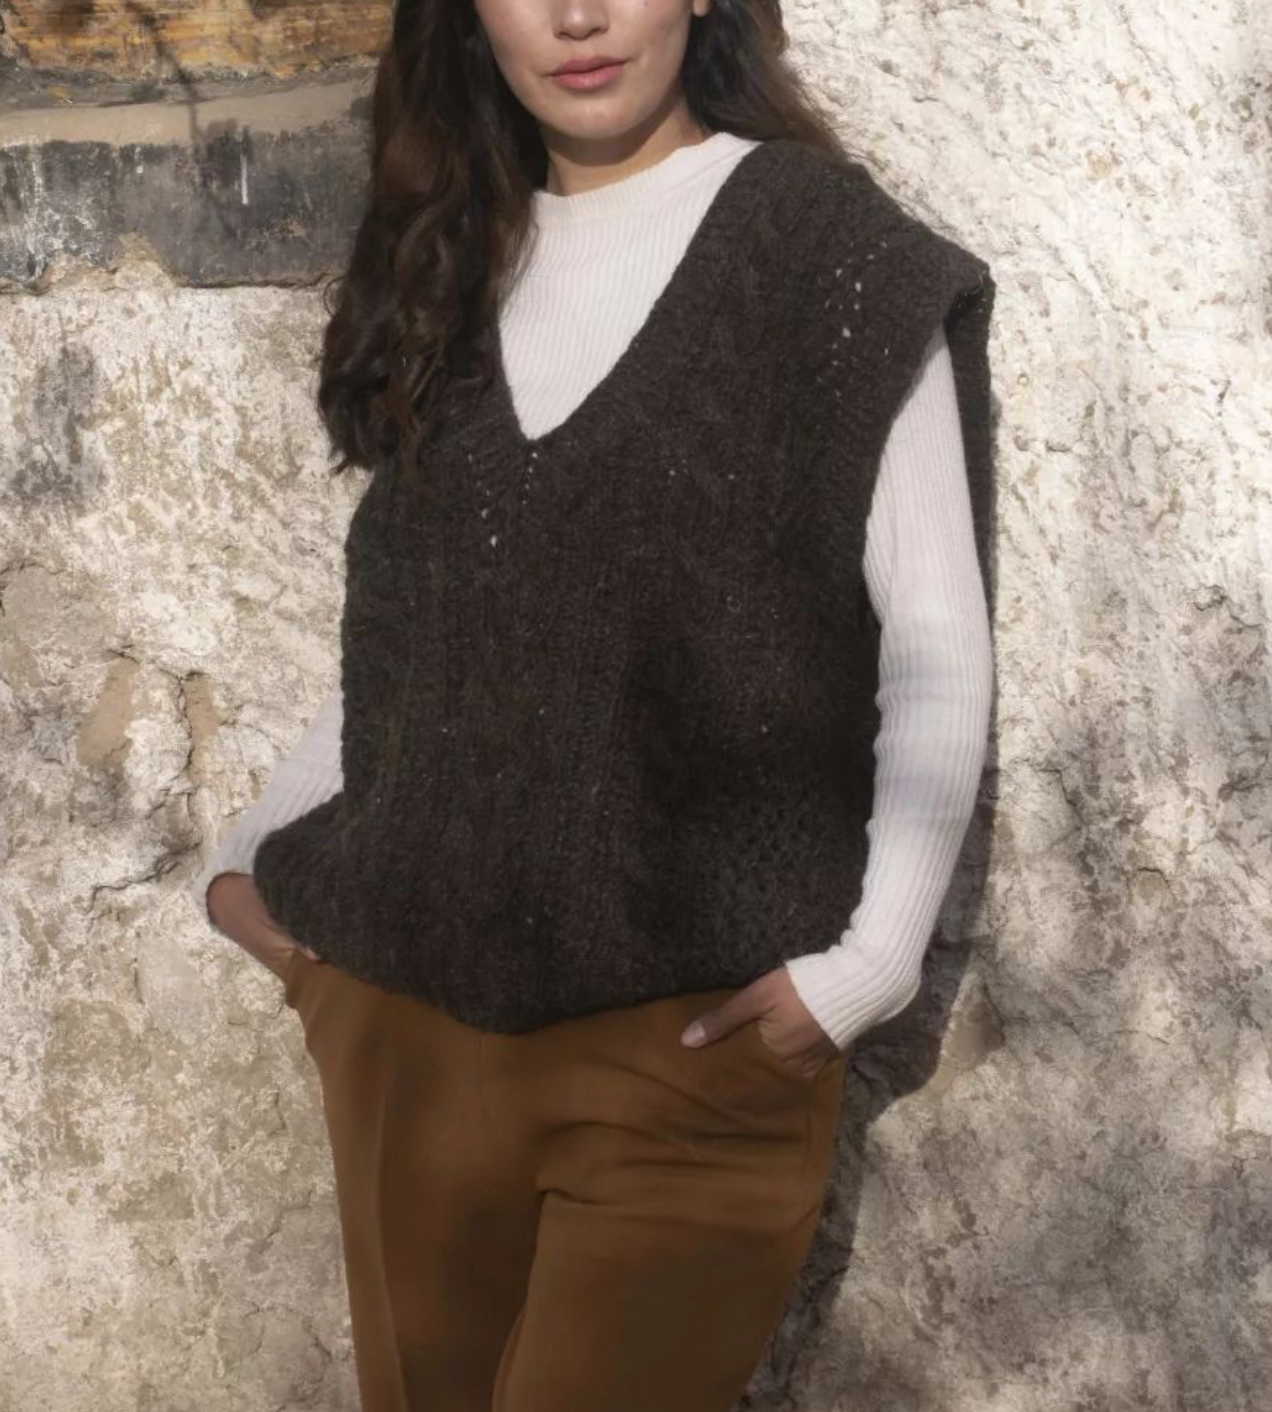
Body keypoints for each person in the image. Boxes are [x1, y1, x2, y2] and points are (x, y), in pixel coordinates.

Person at [192, 1, 996, 1408]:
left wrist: (870, 970)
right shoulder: (451, 264)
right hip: (405, 1035)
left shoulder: (830, 261)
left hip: (690, 1055)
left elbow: (934, 639)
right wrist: (250, 861)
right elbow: (416, 659)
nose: (576, 15)